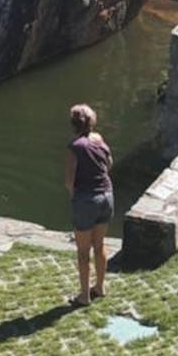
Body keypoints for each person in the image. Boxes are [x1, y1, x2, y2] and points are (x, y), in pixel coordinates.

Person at [65, 102, 114, 308]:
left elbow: (69, 180)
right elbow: (109, 163)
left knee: (83, 251)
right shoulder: (99, 139)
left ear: (73, 124)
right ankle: (100, 287)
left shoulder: (74, 147)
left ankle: (84, 296)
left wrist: (75, 197)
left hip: (86, 199)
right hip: (107, 195)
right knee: (100, 244)